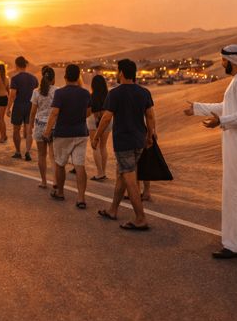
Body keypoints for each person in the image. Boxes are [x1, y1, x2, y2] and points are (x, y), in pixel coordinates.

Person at [184, 45, 237, 259]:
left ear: (231, 61)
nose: (221, 63)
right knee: (235, 192)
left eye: (223, 60)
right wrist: (197, 108)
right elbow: (227, 106)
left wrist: (221, 122)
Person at [93, 59, 155, 231]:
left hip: (124, 142)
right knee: (122, 175)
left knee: (129, 178)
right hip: (139, 141)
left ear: (121, 73)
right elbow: (150, 116)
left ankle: (140, 218)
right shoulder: (144, 93)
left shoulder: (115, 93)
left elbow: (106, 118)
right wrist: (150, 135)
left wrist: (96, 136)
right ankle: (113, 210)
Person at [43, 64, 91, 209]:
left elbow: (54, 113)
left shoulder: (60, 93)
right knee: (79, 165)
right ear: (78, 77)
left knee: (60, 163)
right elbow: (88, 113)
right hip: (81, 133)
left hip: (63, 133)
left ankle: (60, 192)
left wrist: (47, 131)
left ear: (65, 77)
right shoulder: (85, 93)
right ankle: (81, 198)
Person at [29, 66, 57, 189]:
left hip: (40, 126)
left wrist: (30, 126)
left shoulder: (36, 92)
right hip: (52, 127)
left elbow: (33, 111)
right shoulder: (57, 91)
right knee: (53, 156)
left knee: (41, 155)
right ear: (53, 79)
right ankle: (55, 181)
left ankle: (44, 181)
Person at [6, 56, 39, 161]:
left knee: (16, 130)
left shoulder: (15, 79)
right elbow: (36, 92)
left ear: (16, 65)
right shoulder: (33, 78)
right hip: (30, 106)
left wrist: (8, 108)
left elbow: (12, 95)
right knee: (29, 130)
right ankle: (28, 152)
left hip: (19, 106)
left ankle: (18, 152)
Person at [88, 74, 111, 181]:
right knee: (103, 146)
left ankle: (100, 172)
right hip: (107, 120)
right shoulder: (109, 95)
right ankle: (104, 172)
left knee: (95, 146)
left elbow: (89, 111)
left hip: (93, 119)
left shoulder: (91, 96)